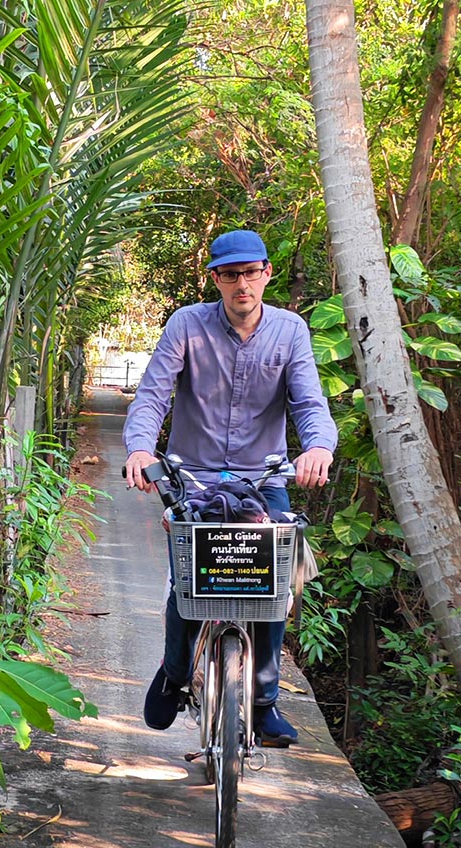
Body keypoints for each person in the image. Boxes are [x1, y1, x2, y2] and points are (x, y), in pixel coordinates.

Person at [123, 229, 337, 747]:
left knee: (271, 588)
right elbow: (152, 393)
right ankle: (175, 673)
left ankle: (264, 703)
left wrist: (318, 448)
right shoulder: (187, 325)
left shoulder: (290, 331)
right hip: (191, 477)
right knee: (190, 586)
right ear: (215, 278)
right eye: (230, 274)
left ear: (266, 273)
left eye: (251, 272)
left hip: (263, 479)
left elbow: (309, 402)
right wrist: (139, 449)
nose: (242, 283)